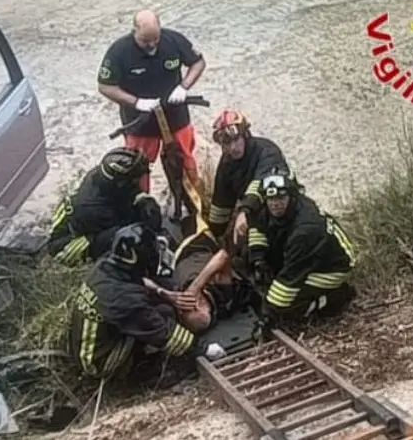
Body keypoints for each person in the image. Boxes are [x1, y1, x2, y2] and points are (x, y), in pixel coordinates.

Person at [66, 223, 227, 380]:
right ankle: (142, 370)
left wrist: (163, 293)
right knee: (163, 315)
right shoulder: (124, 299)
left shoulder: (106, 266)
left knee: (158, 302)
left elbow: (138, 280)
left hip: (87, 346)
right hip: (100, 361)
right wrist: (203, 349)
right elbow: (163, 333)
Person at [177, 109, 294, 306]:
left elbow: (263, 184)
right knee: (245, 256)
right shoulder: (228, 163)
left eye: (235, 140)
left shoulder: (267, 151)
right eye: (226, 144)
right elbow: (221, 203)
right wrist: (213, 234)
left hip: (283, 209)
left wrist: (244, 211)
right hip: (254, 215)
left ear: (245, 135)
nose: (232, 148)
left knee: (273, 251)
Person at [96, 9, 208, 193]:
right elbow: (105, 86)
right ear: (134, 30)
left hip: (175, 115)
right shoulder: (119, 52)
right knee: (136, 167)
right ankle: (140, 202)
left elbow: (198, 63)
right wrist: (136, 102)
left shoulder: (174, 41)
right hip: (140, 121)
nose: (151, 44)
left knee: (184, 158)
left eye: (155, 39)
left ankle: (191, 196)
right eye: (145, 41)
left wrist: (184, 86)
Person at [246, 169, 357, 328]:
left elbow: (290, 279)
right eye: (270, 198)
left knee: (288, 310)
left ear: (291, 195)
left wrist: (268, 314)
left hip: (332, 266)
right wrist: (257, 259)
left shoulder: (306, 229)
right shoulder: (275, 207)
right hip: (305, 255)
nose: (275, 203)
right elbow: (258, 226)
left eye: (280, 197)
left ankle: (337, 296)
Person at [46, 147, 163, 265]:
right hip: (66, 245)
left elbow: (129, 194)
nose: (138, 182)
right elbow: (129, 225)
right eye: (135, 180)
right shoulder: (94, 209)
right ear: (121, 183)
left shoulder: (102, 177)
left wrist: (145, 200)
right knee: (123, 236)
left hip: (91, 224)